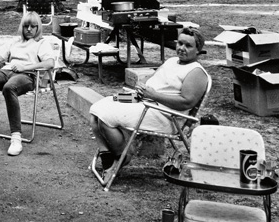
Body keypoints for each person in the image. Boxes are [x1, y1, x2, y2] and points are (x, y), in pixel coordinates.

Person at [89, 27, 209, 172]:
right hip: (146, 103)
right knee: (97, 108)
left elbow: (186, 102)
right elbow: (155, 82)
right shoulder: (172, 61)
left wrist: (153, 95)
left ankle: (123, 155)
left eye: (188, 45)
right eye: (180, 43)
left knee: (105, 116)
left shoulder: (196, 72)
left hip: (165, 116)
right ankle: (106, 153)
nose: (182, 48)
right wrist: (138, 91)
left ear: (198, 50)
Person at [0, 12, 57, 157]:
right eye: (26, 26)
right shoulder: (15, 41)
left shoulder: (41, 43)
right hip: (6, 72)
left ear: (38, 27)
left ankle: (16, 138)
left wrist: (24, 67)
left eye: (33, 26)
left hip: (27, 76)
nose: (29, 29)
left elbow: (50, 63)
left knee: (9, 88)